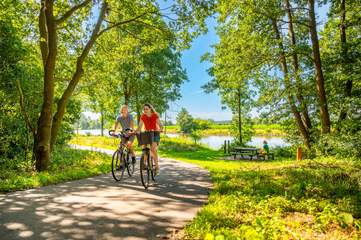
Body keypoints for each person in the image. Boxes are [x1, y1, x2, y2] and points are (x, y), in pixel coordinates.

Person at [136, 103, 162, 173]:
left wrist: (161, 129)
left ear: (150, 109)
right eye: (144, 109)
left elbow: (160, 124)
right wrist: (136, 131)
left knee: (153, 149)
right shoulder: (143, 116)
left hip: (155, 133)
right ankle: (144, 163)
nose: (145, 110)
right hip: (147, 133)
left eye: (146, 109)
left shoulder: (155, 115)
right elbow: (139, 127)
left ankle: (157, 167)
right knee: (144, 148)